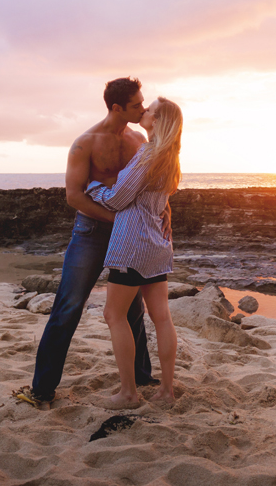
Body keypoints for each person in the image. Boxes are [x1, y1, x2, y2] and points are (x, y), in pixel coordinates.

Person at [15, 77, 166, 407]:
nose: (143, 108)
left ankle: (140, 376)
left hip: (130, 235)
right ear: (116, 108)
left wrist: (163, 209)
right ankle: (41, 390)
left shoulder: (138, 138)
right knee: (67, 307)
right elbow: (74, 197)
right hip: (91, 235)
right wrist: (118, 220)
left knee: (133, 310)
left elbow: (148, 183)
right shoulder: (85, 144)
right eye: (137, 105)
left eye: (142, 103)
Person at [86, 97, 182, 408]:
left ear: (159, 121)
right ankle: (167, 390)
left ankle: (128, 393)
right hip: (157, 245)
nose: (144, 111)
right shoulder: (171, 158)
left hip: (132, 246)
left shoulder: (148, 153)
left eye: (150, 109)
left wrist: (92, 187)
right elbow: (158, 201)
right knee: (162, 318)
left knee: (113, 314)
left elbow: (117, 199)